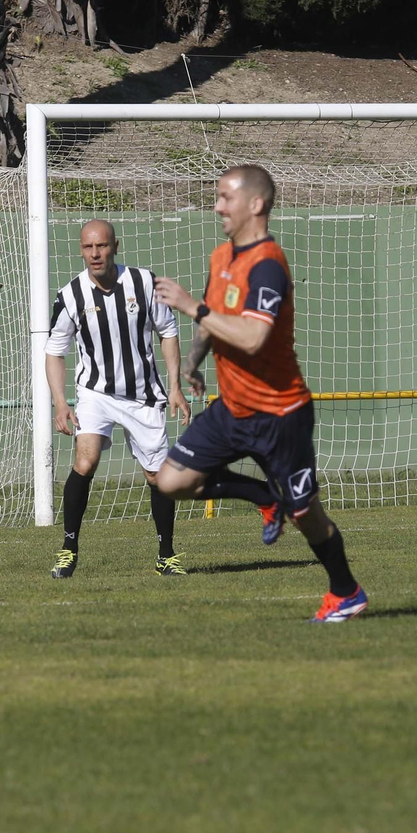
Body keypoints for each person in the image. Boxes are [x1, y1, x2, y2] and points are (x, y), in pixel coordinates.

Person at [152, 164, 369, 623]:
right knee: (170, 482)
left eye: (224, 198)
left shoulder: (268, 264)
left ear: (256, 204)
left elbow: (252, 337)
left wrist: (192, 305)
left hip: (280, 415)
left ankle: (345, 590)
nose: (217, 207)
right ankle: (264, 497)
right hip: (232, 409)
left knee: (306, 515)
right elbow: (213, 318)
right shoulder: (220, 257)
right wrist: (192, 362)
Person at [46, 219, 192, 578]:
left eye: (102, 246)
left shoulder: (144, 283)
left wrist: (174, 387)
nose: (95, 254)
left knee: (159, 477)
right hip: (95, 392)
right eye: (88, 247)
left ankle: (166, 556)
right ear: (81, 250)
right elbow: (54, 351)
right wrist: (60, 403)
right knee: (86, 460)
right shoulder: (70, 296)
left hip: (143, 396)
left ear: (115, 245)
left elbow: (168, 332)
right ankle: (68, 550)